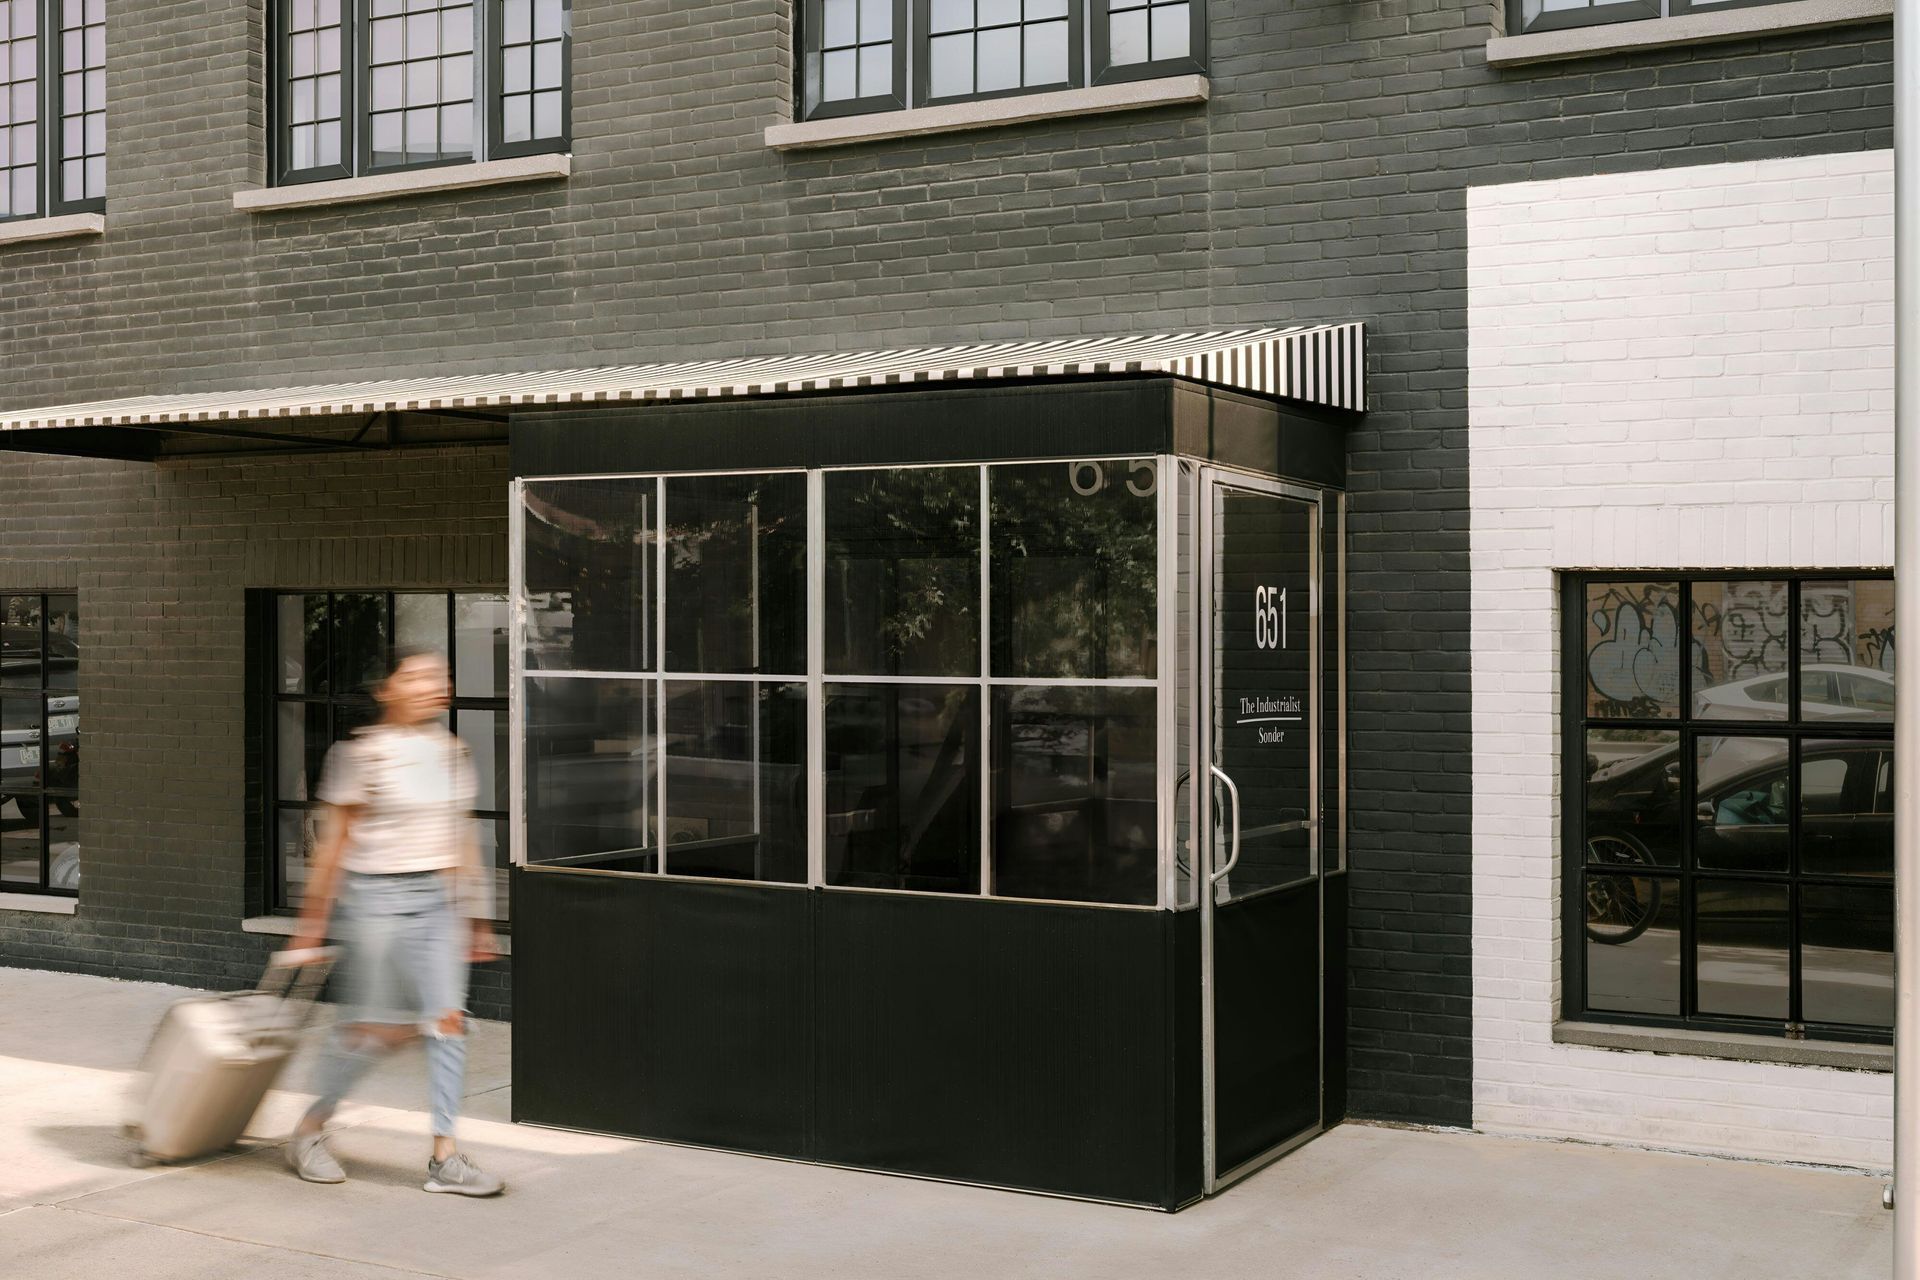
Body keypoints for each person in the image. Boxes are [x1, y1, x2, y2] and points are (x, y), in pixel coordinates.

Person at [285, 647, 505, 1197]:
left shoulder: (452, 751)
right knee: (367, 1032)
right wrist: (310, 927)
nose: (437, 683)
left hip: (436, 901)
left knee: (448, 1021)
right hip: (373, 899)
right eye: (421, 675)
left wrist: (476, 917)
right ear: (387, 688)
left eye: (442, 675)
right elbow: (332, 847)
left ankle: (445, 1157)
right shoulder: (361, 754)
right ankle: (310, 1130)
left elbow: (461, 836)